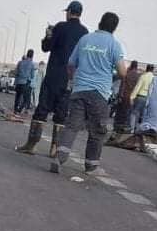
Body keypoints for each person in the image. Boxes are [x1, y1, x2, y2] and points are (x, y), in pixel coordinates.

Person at [50, 11, 127, 175]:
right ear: (114, 28)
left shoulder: (85, 39)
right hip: (99, 92)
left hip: (79, 89)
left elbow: (71, 64)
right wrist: (110, 76)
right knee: (97, 131)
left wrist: (73, 80)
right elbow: (122, 72)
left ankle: (59, 158)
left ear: (100, 22)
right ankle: (91, 166)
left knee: (71, 126)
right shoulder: (114, 44)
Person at [16, 0, 88, 156]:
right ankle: (55, 149)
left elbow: (46, 47)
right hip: (70, 79)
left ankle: (31, 145)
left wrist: (48, 35)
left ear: (69, 12)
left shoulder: (60, 27)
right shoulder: (85, 33)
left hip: (53, 75)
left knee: (42, 109)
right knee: (61, 114)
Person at [113, 61, 141, 133]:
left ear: (131, 65)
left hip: (124, 96)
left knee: (120, 112)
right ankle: (125, 128)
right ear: (136, 67)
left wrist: (120, 96)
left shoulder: (127, 74)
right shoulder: (138, 76)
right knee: (128, 113)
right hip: (132, 97)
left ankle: (117, 127)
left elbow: (122, 85)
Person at [14, 50, 37, 114]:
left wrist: (16, 82)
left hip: (19, 82)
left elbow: (16, 72)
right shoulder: (32, 64)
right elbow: (32, 75)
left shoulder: (20, 62)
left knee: (17, 97)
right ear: (32, 55)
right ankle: (19, 110)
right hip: (26, 82)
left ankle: (15, 110)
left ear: (27, 54)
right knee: (26, 98)